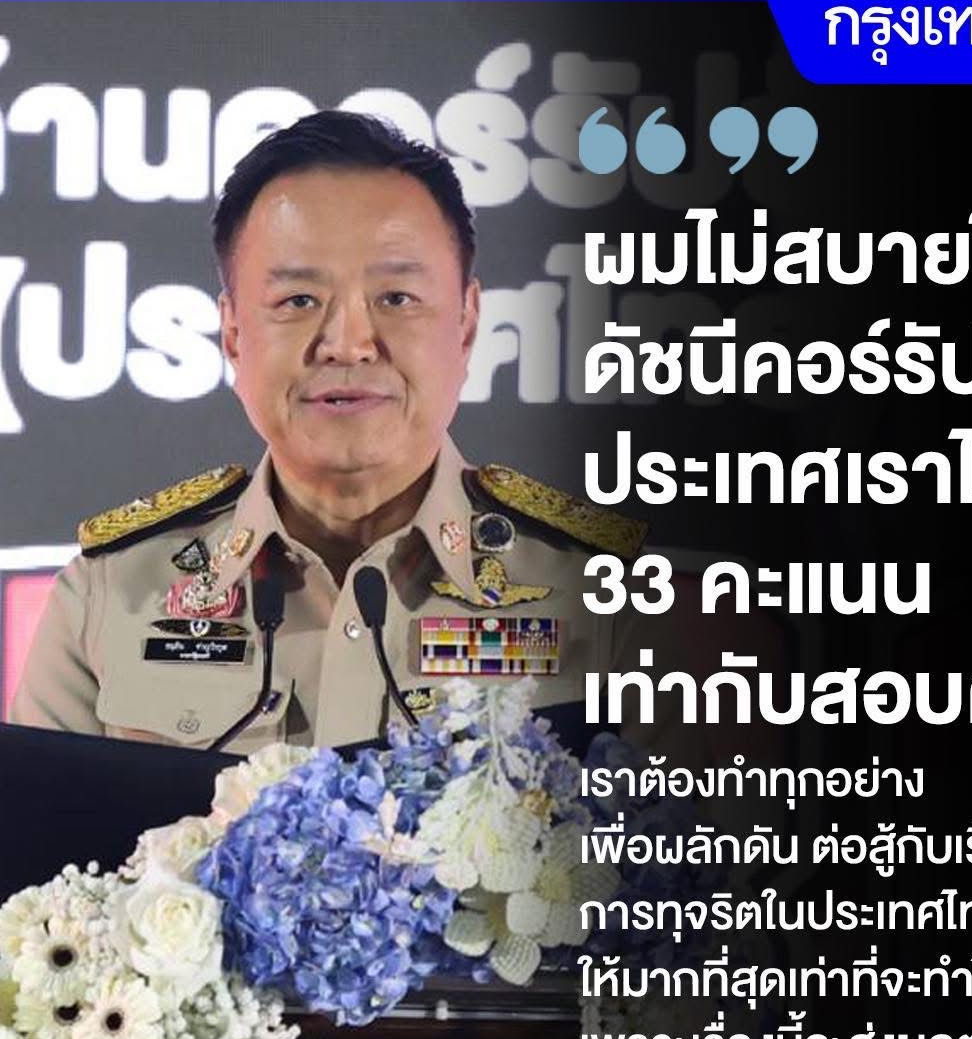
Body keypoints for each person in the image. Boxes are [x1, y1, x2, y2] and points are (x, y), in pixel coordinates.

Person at [10, 110, 646, 755]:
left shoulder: (613, 600)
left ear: (466, 324)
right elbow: (41, 821)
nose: (347, 343)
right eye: (298, 301)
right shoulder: (110, 596)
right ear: (233, 334)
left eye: (396, 298)